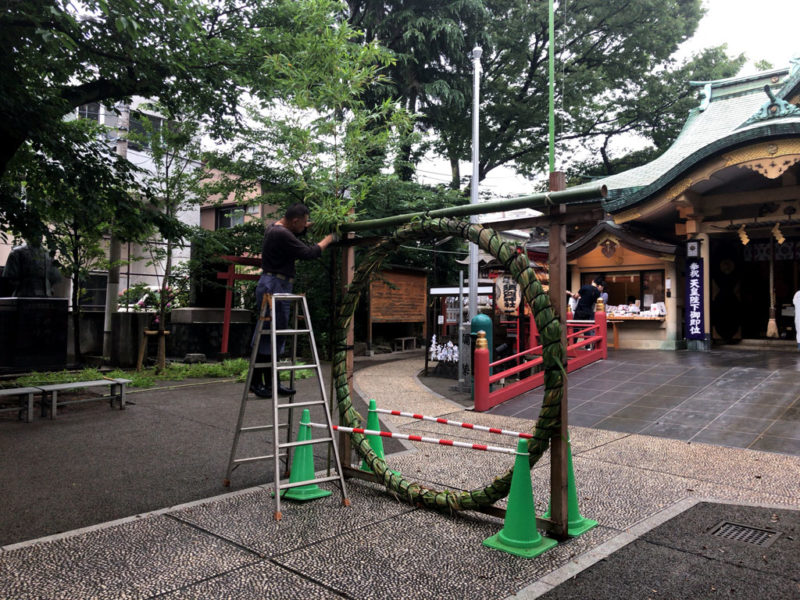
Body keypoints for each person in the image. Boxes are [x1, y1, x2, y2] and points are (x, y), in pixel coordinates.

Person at [250, 203, 336, 398]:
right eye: (304, 222)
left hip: (273, 283)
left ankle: (270, 383)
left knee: (273, 334)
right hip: (275, 286)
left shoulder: (274, 228)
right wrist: (329, 239)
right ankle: (258, 383)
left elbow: (298, 233)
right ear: (295, 220)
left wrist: (313, 225)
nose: (305, 226)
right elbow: (308, 253)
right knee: (270, 335)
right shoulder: (281, 234)